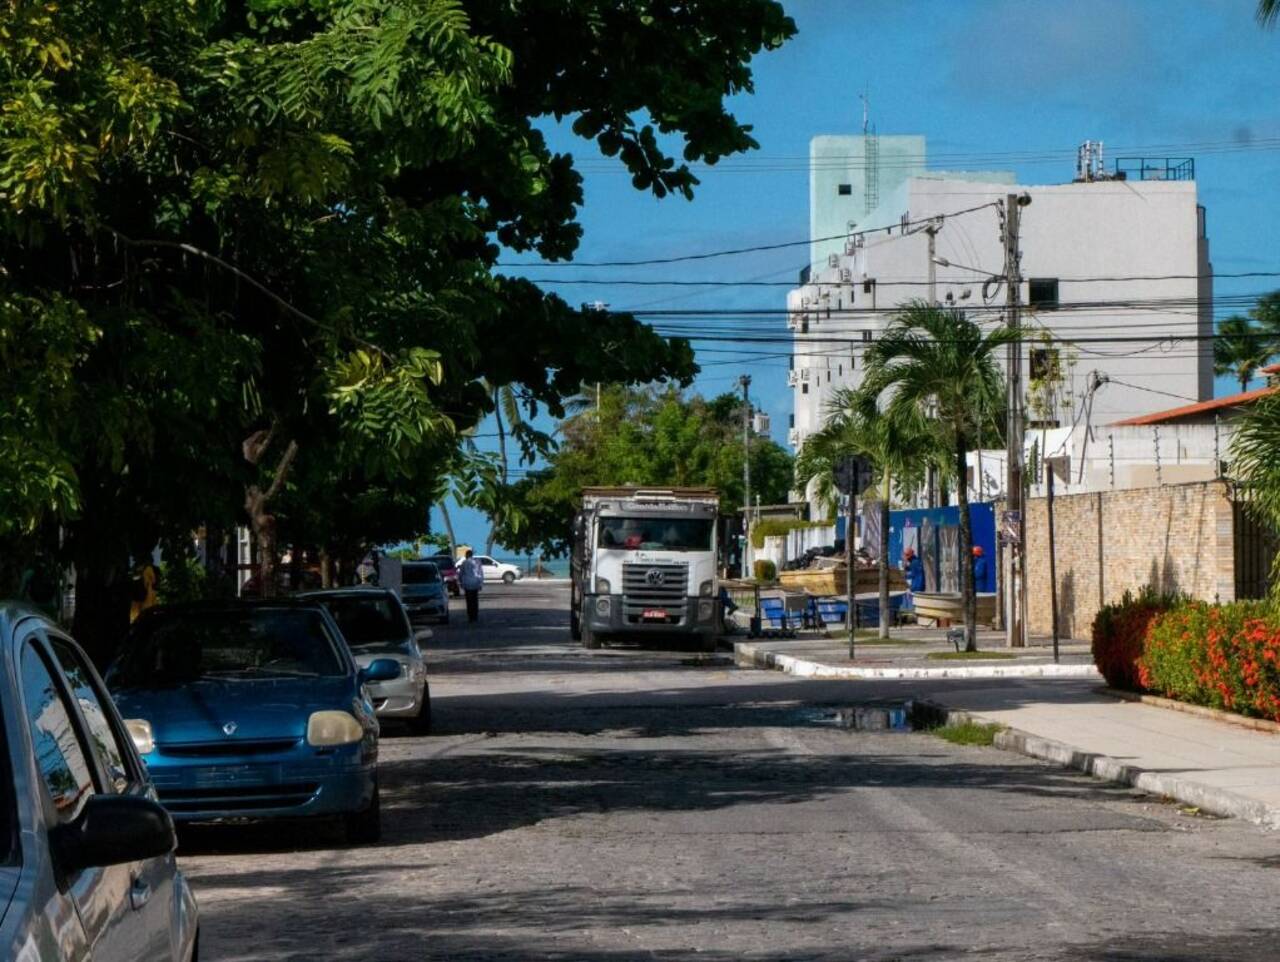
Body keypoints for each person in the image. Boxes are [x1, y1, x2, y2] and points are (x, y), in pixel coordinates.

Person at [458, 549, 485, 623]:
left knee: (469, 601)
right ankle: (475, 616)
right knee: (475, 600)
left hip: (467, 584)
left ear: (466, 555)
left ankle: (470, 617)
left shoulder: (464, 563)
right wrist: (480, 583)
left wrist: (461, 582)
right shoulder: (477, 562)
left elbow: (461, 574)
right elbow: (480, 573)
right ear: (472, 555)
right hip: (475, 583)